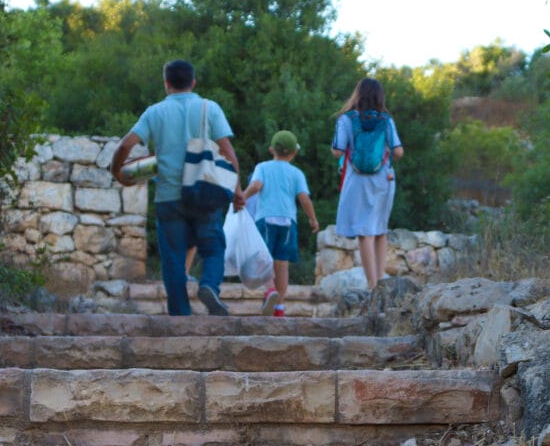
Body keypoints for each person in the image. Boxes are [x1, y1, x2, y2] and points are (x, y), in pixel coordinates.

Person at [111, 59, 244, 316]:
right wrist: (237, 191)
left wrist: (116, 170)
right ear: (193, 82)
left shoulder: (154, 112)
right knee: (214, 246)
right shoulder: (210, 108)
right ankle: (209, 286)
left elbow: (126, 146)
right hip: (205, 192)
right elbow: (228, 153)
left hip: (168, 198)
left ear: (166, 84)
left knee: (173, 258)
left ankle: (180, 317)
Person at [330, 77, 404, 290]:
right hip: (384, 179)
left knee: (365, 231)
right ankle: (380, 282)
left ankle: (371, 285)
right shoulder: (386, 120)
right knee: (380, 229)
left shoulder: (346, 119)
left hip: (357, 180)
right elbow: (398, 151)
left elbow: (337, 150)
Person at [244, 130, 319, 316]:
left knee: (264, 258)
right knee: (282, 264)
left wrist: (241, 198)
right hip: (288, 222)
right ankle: (280, 306)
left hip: (266, 219)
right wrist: (312, 219)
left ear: (271, 150)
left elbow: (256, 186)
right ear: (294, 153)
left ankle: (270, 289)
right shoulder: (297, 173)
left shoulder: (262, 167)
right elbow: (303, 198)